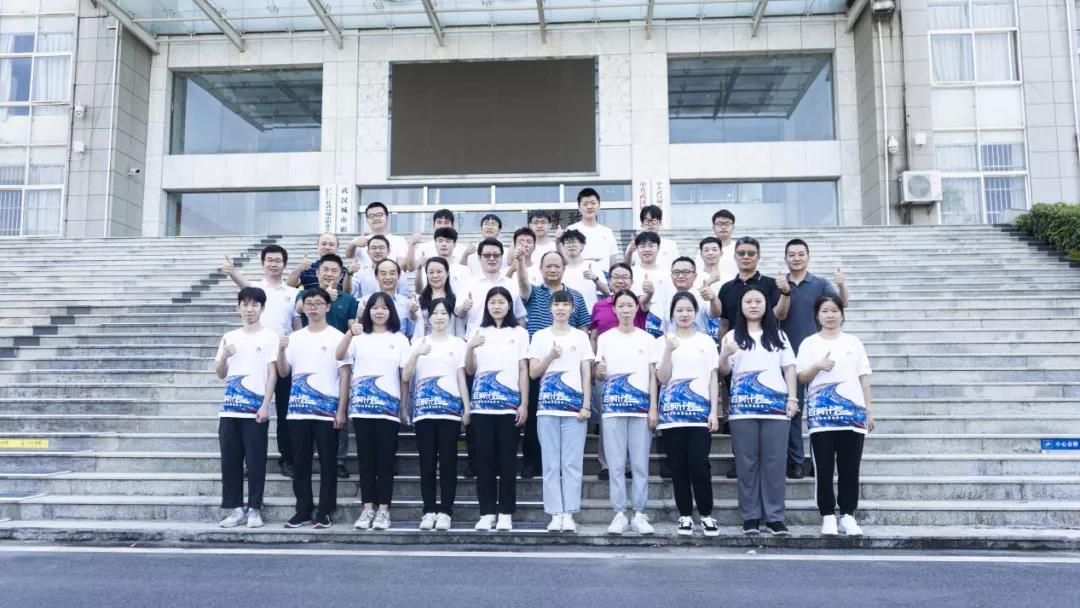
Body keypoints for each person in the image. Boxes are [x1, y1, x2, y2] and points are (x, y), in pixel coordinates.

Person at [719, 286, 798, 537]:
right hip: (742, 410)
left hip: (775, 409)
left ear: (766, 305)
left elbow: (789, 369)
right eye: (748, 301)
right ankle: (750, 516)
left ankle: (775, 517)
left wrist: (792, 398)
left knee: (774, 463)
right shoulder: (732, 336)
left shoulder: (778, 335)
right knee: (747, 464)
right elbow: (723, 372)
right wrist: (724, 355)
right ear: (741, 307)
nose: (753, 305)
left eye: (758, 301)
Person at [796, 295, 874, 537]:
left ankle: (848, 515)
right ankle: (828, 516)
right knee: (824, 468)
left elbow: (863, 377)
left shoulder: (853, 342)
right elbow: (801, 377)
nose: (830, 315)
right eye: (824, 311)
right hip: (822, 417)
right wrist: (817, 365)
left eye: (834, 310)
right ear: (817, 315)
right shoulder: (809, 343)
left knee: (850, 468)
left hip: (852, 415)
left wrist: (868, 411)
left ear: (842, 313)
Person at [220, 245, 298, 478]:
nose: (273, 264)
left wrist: (292, 351)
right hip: (255, 358)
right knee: (250, 410)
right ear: (263, 263)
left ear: (284, 264)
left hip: (281, 357)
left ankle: (287, 458)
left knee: (284, 411)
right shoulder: (256, 289)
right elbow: (243, 287)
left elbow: (296, 326)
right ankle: (248, 461)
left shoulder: (292, 293)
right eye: (269, 260)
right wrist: (232, 272)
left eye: (278, 260)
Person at [337, 292, 410, 531]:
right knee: (366, 462)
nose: (379, 312)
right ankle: (367, 508)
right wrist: (350, 333)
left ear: (391, 311)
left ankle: (383, 511)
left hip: (388, 410)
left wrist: (403, 407)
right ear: (368, 311)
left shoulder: (399, 339)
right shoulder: (359, 337)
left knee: (385, 462)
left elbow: (404, 377)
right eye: (374, 307)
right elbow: (339, 355)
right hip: (362, 409)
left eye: (384, 307)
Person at [516, 249, 592, 480]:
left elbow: (584, 328)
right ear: (540, 269)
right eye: (547, 266)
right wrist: (520, 260)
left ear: (564, 269)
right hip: (538, 363)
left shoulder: (575, 297)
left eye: (556, 265)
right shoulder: (534, 293)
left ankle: (565, 465)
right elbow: (522, 282)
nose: (552, 269)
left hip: (569, 366)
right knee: (535, 416)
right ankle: (532, 462)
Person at [650, 292, 721, 537]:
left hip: (700, 416)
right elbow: (661, 378)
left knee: (699, 465)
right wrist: (668, 350)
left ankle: (707, 515)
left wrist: (714, 411)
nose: (684, 314)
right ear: (672, 314)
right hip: (672, 417)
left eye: (689, 310)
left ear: (695, 313)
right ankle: (685, 516)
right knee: (678, 468)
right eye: (679, 310)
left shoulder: (706, 342)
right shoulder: (662, 342)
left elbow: (712, 377)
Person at [277, 287, 348, 529]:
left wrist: (341, 409)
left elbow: (345, 375)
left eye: (318, 303)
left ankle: (325, 511)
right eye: (309, 303)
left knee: (328, 463)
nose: (313, 307)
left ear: (327, 307)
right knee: (300, 463)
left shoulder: (337, 337)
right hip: (299, 410)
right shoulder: (295, 338)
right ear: (303, 308)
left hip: (327, 410)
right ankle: (303, 510)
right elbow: (283, 372)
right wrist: (281, 349)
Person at [781, 238, 849, 479]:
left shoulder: (820, 284)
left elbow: (842, 305)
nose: (796, 258)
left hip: (818, 354)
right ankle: (796, 461)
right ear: (785, 258)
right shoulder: (780, 284)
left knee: (819, 409)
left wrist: (841, 285)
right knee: (793, 409)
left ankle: (817, 460)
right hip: (789, 356)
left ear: (808, 257)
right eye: (792, 254)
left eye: (801, 254)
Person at [528, 289, 595, 533]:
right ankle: (555, 513)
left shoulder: (581, 337)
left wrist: (586, 404)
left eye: (565, 304)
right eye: (557, 304)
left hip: (574, 409)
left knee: (571, 464)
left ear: (572, 309)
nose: (561, 308)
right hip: (547, 409)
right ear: (550, 308)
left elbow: (586, 372)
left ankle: (569, 513)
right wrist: (550, 356)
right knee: (550, 464)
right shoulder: (539, 336)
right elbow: (533, 373)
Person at [403, 299, 470, 531]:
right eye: (435, 313)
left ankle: (445, 511)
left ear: (450, 316)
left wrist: (467, 407)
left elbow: (461, 377)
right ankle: (429, 510)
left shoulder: (458, 343)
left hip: (450, 412)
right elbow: (406, 376)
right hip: (424, 412)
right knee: (427, 464)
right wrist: (416, 354)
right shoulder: (418, 342)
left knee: (449, 464)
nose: (440, 317)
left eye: (444, 313)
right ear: (428, 317)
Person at [214, 287, 278, 529]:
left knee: (255, 461)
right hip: (230, 410)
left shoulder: (270, 337)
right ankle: (235, 509)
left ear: (262, 308)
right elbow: (220, 374)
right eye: (245, 304)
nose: (250, 309)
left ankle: (254, 509)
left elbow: (272, 374)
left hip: (255, 410)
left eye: (255, 305)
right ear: (238, 307)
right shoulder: (229, 337)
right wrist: (224, 356)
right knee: (230, 462)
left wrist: (266, 405)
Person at [467, 287, 529, 531]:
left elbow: (523, 370)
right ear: (486, 306)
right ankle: (486, 512)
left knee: (507, 462)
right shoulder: (478, 331)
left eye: (501, 302)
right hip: (482, 408)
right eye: (492, 302)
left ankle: (505, 512)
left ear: (509, 305)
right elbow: (470, 370)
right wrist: (470, 348)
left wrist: (524, 403)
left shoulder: (520, 333)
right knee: (484, 462)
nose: (496, 306)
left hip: (509, 407)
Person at [594, 289, 656, 535]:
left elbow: (652, 376)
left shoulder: (647, 339)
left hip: (641, 410)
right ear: (615, 309)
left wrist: (653, 407)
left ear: (637, 307)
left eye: (630, 305)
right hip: (613, 409)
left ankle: (639, 513)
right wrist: (599, 373)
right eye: (621, 306)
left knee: (640, 464)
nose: (626, 310)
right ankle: (619, 512)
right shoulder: (605, 338)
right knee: (616, 464)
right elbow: (600, 373)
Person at [294, 253, 358, 480]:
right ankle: (308, 457)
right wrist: (322, 298)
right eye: (325, 270)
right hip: (310, 360)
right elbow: (299, 308)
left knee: (339, 406)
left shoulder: (348, 300)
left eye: (334, 271)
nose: (329, 274)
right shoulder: (306, 294)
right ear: (317, 272)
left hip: (339, 358)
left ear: (341, 275)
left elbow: (352, 325)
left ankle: (338, 460)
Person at [456, 237, 526, 336]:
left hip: (506, 339)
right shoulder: (469, 283)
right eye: (487, 255)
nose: (492, 258)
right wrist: (464, 307)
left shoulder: (511, 284)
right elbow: (459, 313)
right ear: (479, 258)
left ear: (501, 257)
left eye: (496, 255)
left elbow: (520, 316)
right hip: (477, 339)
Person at [357, 259, 418, 340]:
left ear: (399, 276)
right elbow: (359, 331)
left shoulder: (406, 303)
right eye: (383, 273)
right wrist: (360, 317)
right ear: (376, 277)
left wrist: (413, 314)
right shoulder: (365, 301)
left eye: (392, 273)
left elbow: (410, 334)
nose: (388, 277)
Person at [589, 263, 647, 341]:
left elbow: (646, 300)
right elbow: (594, 338)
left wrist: (649, 292)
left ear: (632, 282)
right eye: (616, 277)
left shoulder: (638, 302)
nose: (620, 281)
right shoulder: (598, 306)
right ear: (609, 281)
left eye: (624, 277)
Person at [558, 229, 609, 316]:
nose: (571, 245)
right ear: (563, 246)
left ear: (582, 246)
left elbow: (607, 292)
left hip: (590, 314)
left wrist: (595, 278)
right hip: (567, 315)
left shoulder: (592, 265)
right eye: (568, 242)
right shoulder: (560, 269)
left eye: (574, 242)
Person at [345, 202, 410, 270]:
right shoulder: (360, 240)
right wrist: (354, 244)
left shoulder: (399, 240)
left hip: (389, 276)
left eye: (379, 215)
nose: (375, 218)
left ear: (387, 217)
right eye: (371, 216)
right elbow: (348, 255)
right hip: (364, 276)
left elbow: (402, 266)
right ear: (367, 220)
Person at [566, 188, 618, 265]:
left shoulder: (607, 232)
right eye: (585, 204)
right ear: (579, 208)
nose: (589, 207)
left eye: (593, 203)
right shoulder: (571, 230)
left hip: (603, 272)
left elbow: (613, 261)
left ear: (599, 206)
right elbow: (565, 257)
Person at [412, 227, 472, 294]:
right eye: (440, 241)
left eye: (448, 241)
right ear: (435, 243)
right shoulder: (428, 268)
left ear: (454, 244)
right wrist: (419, 268)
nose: (443, 244)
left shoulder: (464, 270)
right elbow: (419, 290)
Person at [346, 235, 408, 299]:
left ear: (389, 251)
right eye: (374, 248)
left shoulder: (398, 272)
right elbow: (348, 292)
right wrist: (349, 274)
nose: (377, 251)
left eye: (381, 248)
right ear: (368, 252)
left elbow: (404, 298)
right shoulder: (361, 272)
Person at [417, 257, 466, 338]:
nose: (435, 275)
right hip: (424, 343)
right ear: (426, 275)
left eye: (439, 272)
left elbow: (460, 331)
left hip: (448, 344)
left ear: (447, 274)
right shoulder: (419, 299)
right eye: (431, 272)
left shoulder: (455, 299)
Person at [624, 204, 679, 269]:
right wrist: (629, 253)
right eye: (647, 221)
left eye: (653, 220)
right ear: (642, 224)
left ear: (660, 222)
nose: (650, 224)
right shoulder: (634, 245)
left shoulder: (670, 245)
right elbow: (626, 268)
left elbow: (677, 266)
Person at [694, 209, 737, 281]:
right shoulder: (704, 251)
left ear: (733, 227)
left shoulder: (739, 249)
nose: (723, 227)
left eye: (727, 224)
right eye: (719, 224)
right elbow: (698, 272)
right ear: (713, 228)